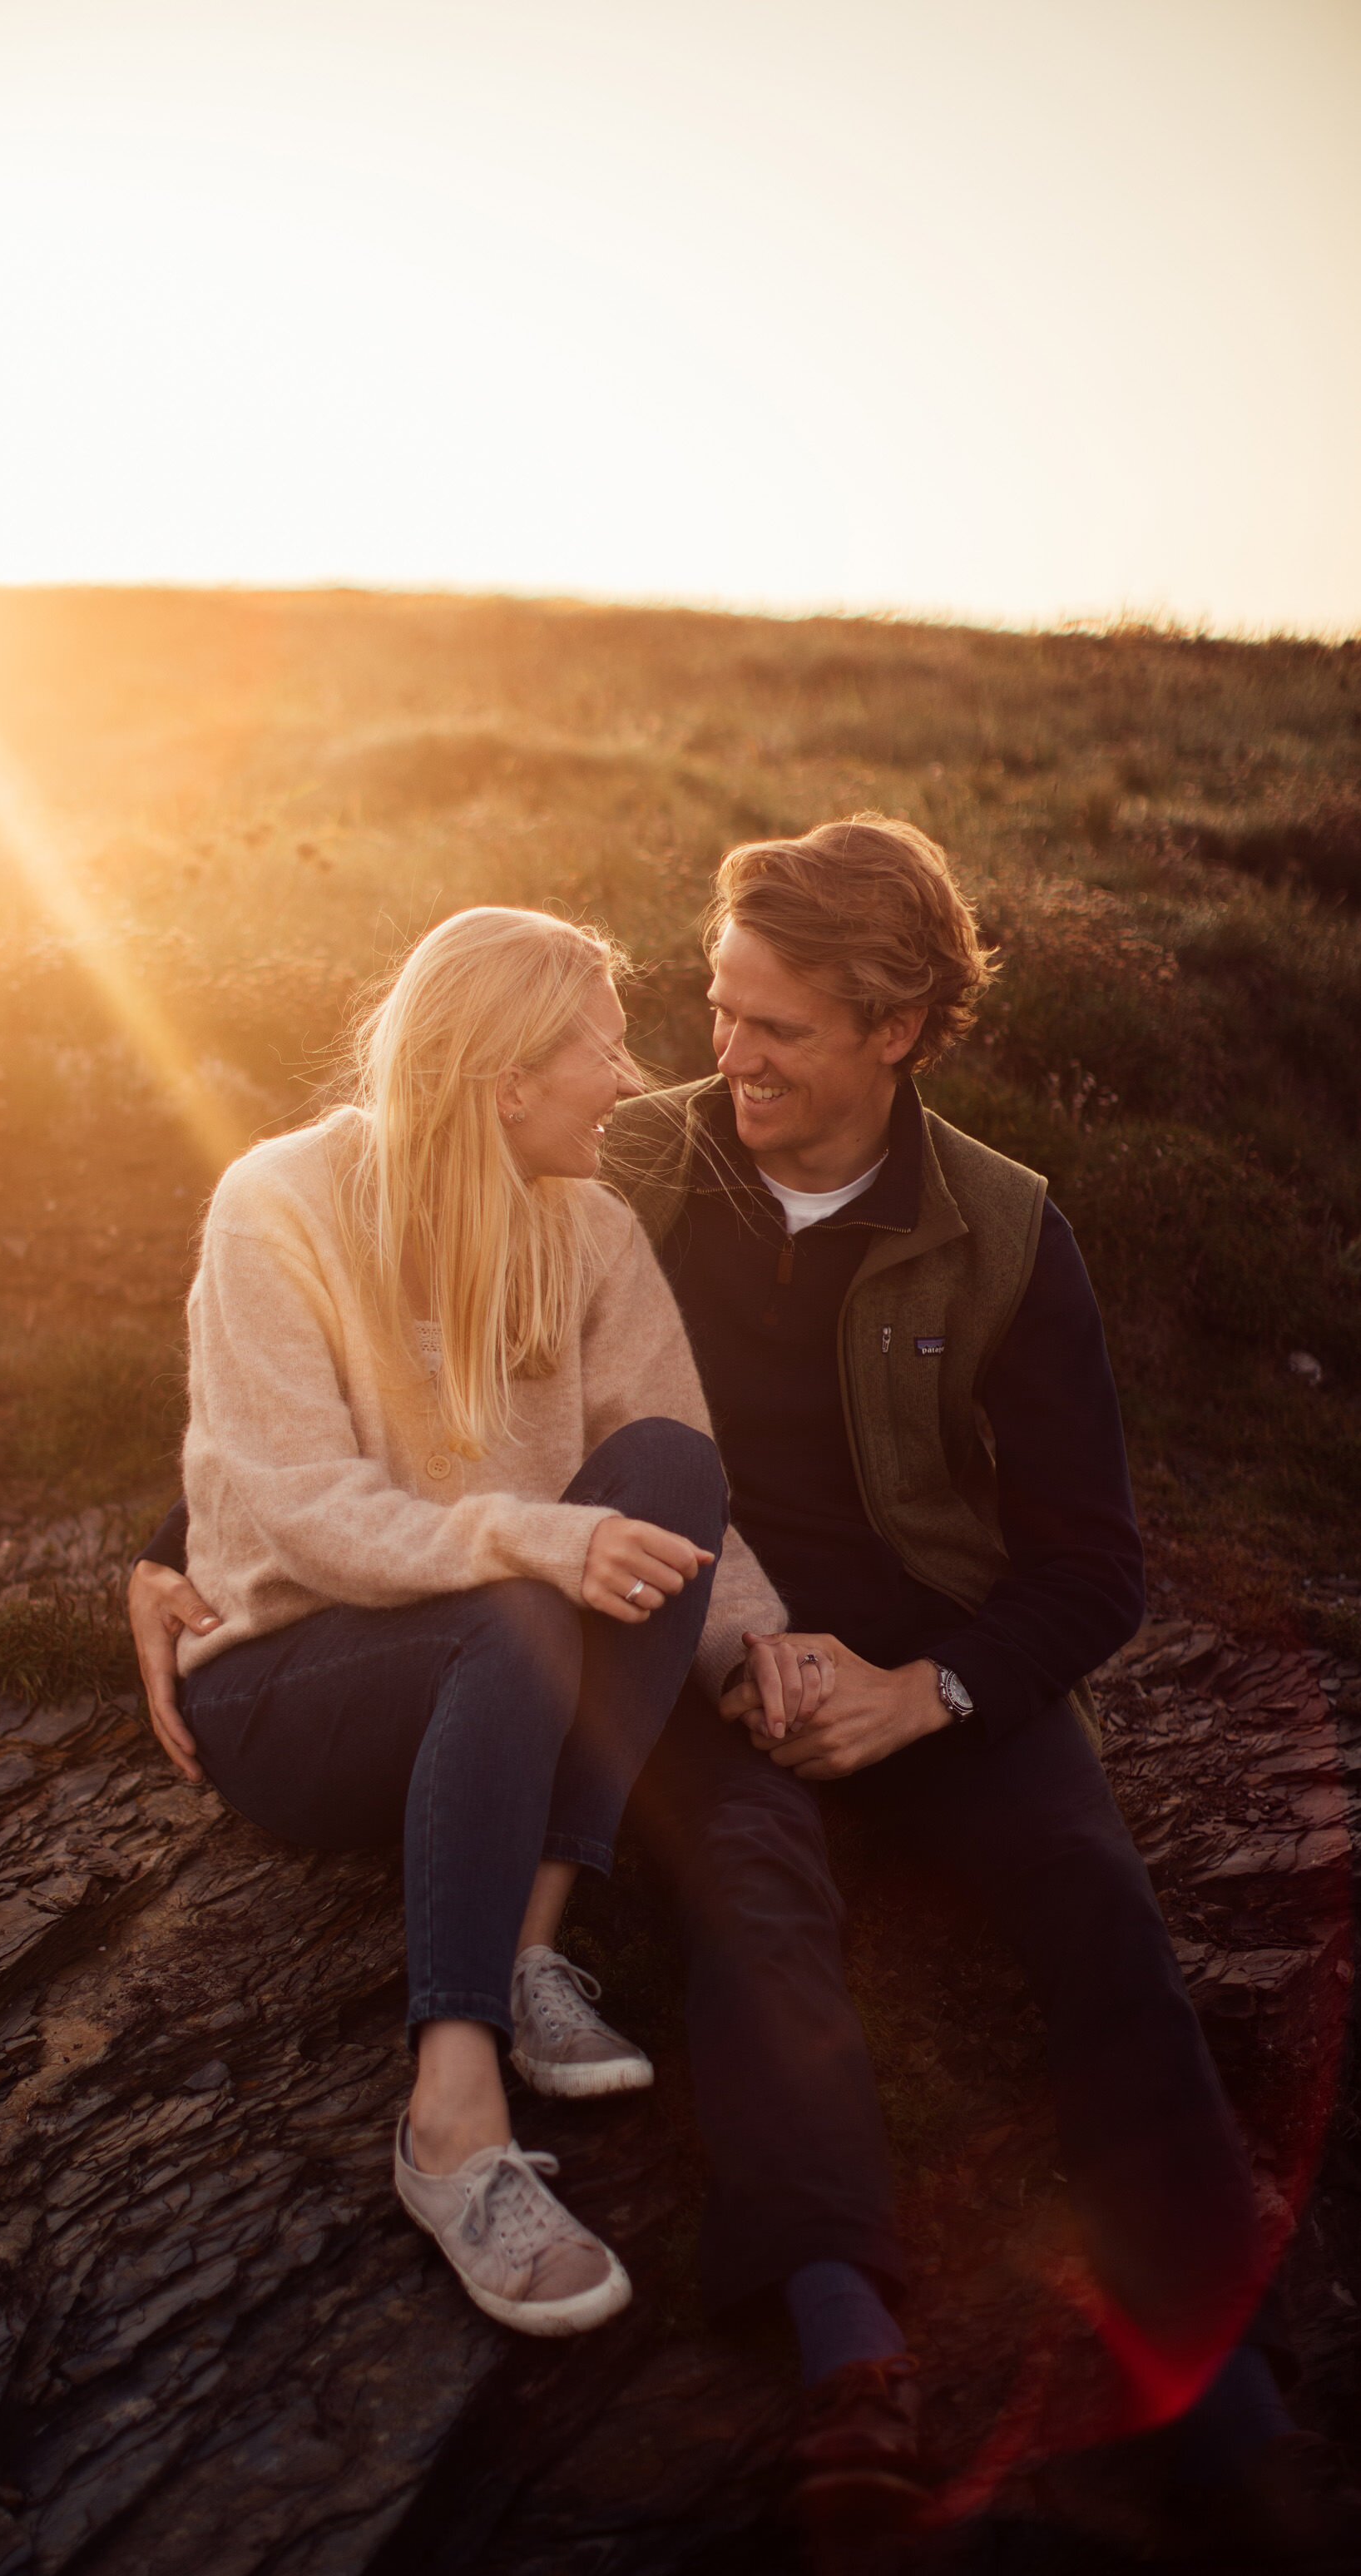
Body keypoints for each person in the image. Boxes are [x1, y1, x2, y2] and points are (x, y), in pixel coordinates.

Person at [133, 820, 1306, 2537]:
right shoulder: (636, 1164)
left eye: (773, 1028)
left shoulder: (998, 1231)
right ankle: (844, 2348)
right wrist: (173, 1551)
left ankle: (1216, 2365)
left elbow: (1087, 1565)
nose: (714, 1059)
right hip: (672, 1628)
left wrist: (917, 1691)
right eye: (711, 1009)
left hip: (897, 1646)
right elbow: (314, 1399)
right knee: (751, 1897)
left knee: (1087, 1897)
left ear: (891, 1029)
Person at [150, 903, 808, 2341]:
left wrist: (756, 1642)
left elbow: (676, 1491)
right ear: (509, 1077)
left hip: (500, 1671)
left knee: (667, 1469)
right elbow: (306, 1509)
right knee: (511, 1606)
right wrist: (532, 1537)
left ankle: (529, 1940)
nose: (631, 1082)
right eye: (604, 1048)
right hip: (293, 1682)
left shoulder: (588, 1229)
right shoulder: (280, 1203)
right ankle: (451, 2120)